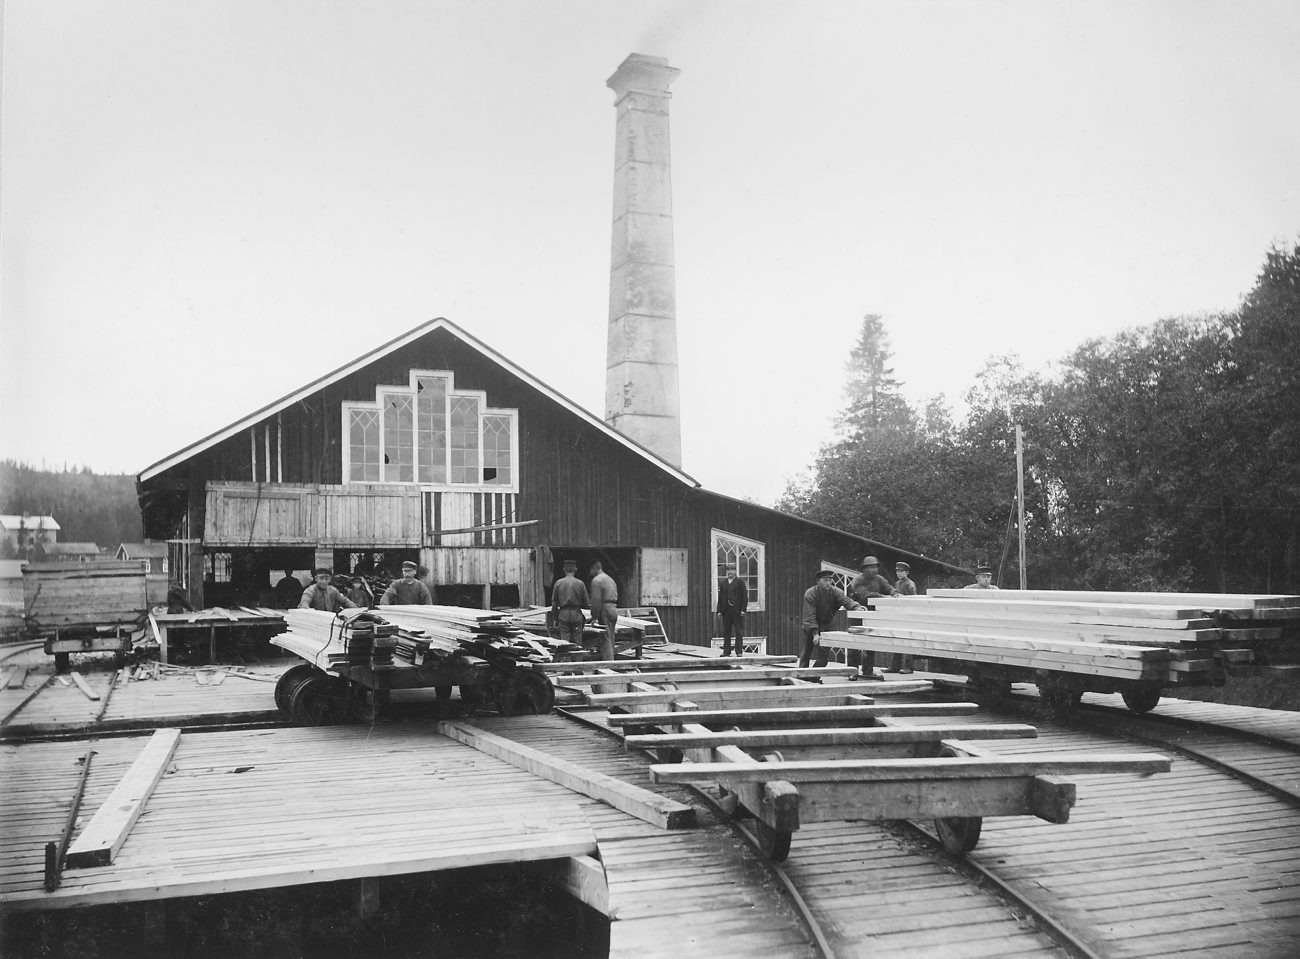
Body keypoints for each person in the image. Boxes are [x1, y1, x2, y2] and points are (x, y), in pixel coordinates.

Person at [799, 568, 864, 668]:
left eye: (830, 580)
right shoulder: (810, 593)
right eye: (825, 580)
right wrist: (815, 633)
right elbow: (809, 615)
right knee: (806, 653)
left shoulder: (836, 592)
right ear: (818, 581)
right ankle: (802, 676)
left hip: (827, 626)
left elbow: (846, 600)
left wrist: (856, 607)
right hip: (810, 627)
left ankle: (814, 677)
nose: (828, 583)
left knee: (824, 657)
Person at [848, 556, 895, 678]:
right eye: (872, 567)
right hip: (858, 614)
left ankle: (868, 670)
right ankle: (852, 671)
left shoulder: (879, 579)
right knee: (855, 643)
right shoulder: (858, 580)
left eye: (876, 567)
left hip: (872, 616)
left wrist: (894, 593)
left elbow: (888, 588)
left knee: (871, 642)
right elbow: (865, 595)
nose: (875, 570)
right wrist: (882, 597)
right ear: (865, 568)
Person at [550, 559, 591, 652]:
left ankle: (565, 661)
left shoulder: (558, 583)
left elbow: (554, 603)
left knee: (564, 642)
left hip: (563, 614)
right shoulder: (580, 583)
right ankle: (578, 661)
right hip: (576, 614)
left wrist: (555, 618)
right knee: (578, 641)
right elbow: (586, 603)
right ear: (575, 569)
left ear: (564, 569)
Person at [884, 561, 916, 674]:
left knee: (907, 641)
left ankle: (908, 667)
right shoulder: (897, 584)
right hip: (898, 615)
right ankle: (894, 666)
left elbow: (913, 600)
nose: (899, 573)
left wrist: (901, 597)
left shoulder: (910, 584)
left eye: (901, 571)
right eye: (897, 571)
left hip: (908, 615)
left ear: (907, 572)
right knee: (897, 640)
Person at [588, 560, 619, 662]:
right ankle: (607, 660)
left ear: (594, 568)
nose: (590, 572)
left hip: (605, 609)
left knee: (605, 638)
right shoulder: (610, 579)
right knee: (610, 637)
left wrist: (594, 617)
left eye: (590, 570)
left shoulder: (597, 581)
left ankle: (609, 664)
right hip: (613, 609)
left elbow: (596, 600)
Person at [716, 564, 748, 657]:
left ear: (735, 571)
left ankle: (739, 651)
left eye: (732, 570)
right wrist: (719, 610)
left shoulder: (740, 583)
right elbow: (721, 597)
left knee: (738, 631)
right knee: (726, 631)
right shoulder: (723, 583)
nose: (730, 572)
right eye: (728, 570)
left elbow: (744, 597)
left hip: (737, 611)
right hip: (726, 610)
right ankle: (726, 651)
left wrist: (743, 609)